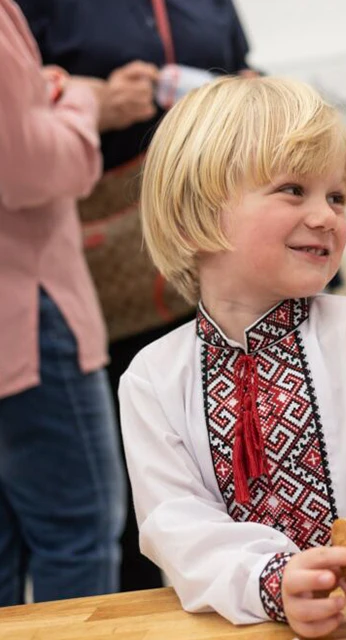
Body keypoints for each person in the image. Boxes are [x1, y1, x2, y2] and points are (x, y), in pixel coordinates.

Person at [119, 76, 346, 637]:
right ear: (198, 208)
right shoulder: (152, 378)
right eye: (294, 190)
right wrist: (270, 581)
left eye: (337, 196)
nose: (327, 217)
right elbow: (176, 524)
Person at [16, 0, 258, 592]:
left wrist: (247, 96)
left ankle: (245, 575)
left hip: (213, 242)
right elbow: (21, 115)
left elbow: (243, 67)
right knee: (128, 466)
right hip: (104, 259)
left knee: (223, 436)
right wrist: (94, 102)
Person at [0, 0, 125, 605]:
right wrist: (81, 101)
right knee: (76, 533)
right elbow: (26, 170)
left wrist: (35, 93)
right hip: (25, 310)